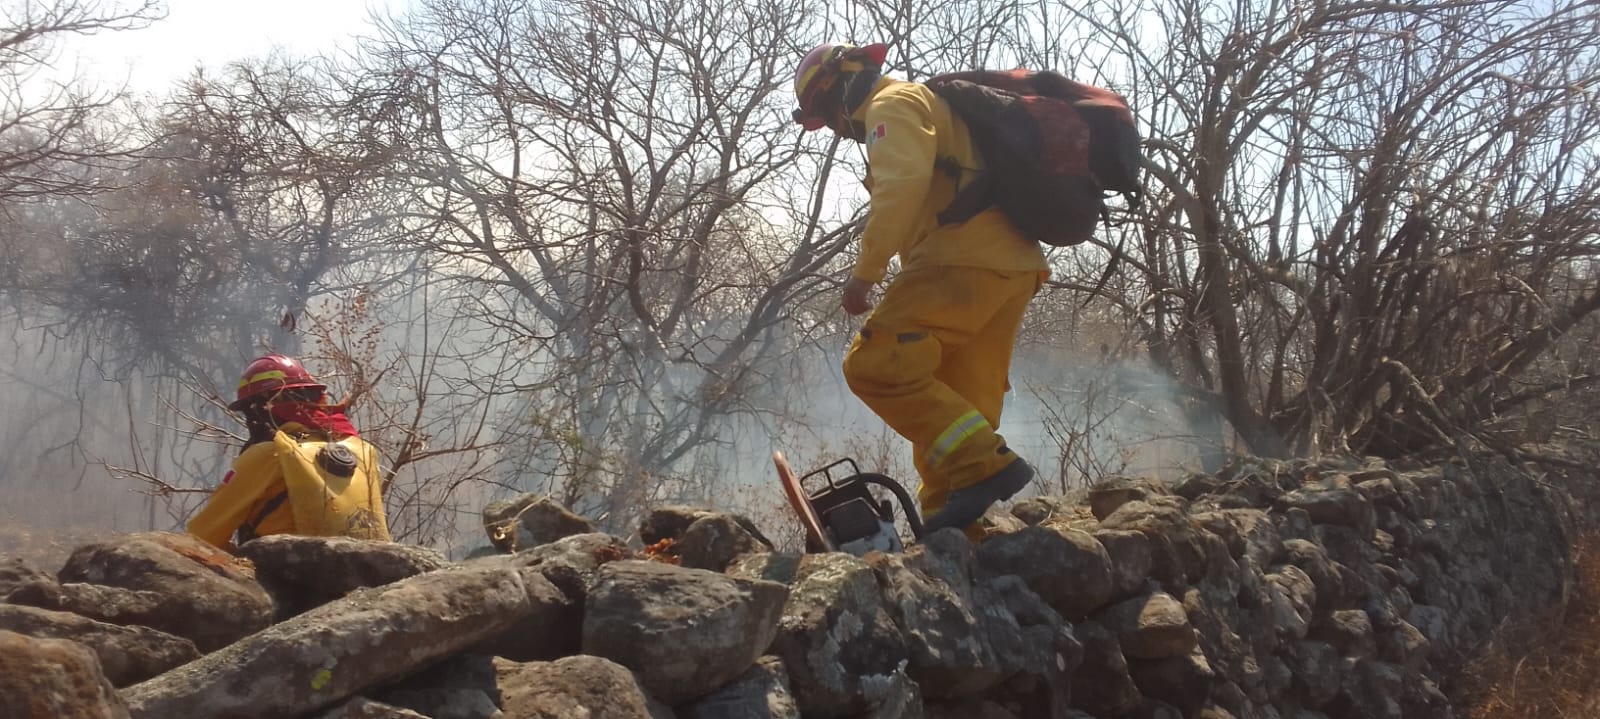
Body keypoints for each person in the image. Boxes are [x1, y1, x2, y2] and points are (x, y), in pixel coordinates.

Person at [792, 42, 1050, 537]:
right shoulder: (926, 107)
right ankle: (953, 528)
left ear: (841, 87)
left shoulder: (891, 105)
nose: (838, 129)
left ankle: (988, 466)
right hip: (1010, 268)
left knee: (875, 364)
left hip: (960, 260)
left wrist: (865, 272)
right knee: (957, 403)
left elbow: (903, 185)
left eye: (827, 112)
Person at [188, 354, 391, 550]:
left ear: (259, 409)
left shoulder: (270, 454)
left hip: (287, 570)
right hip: (373, 567)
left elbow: (202, 535)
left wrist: (235, 559)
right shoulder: (361, 450)